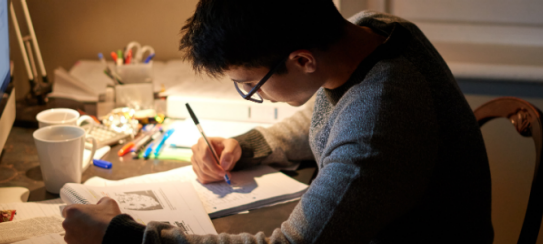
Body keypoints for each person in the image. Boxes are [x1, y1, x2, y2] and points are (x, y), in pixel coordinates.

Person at [62, 0, 494, 243]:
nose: (254, 96)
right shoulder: (370, 30)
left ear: (301, 59)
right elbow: (328, 115)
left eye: (251, 84)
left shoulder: (380, 119)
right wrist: (247, 145)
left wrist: (124, 239)